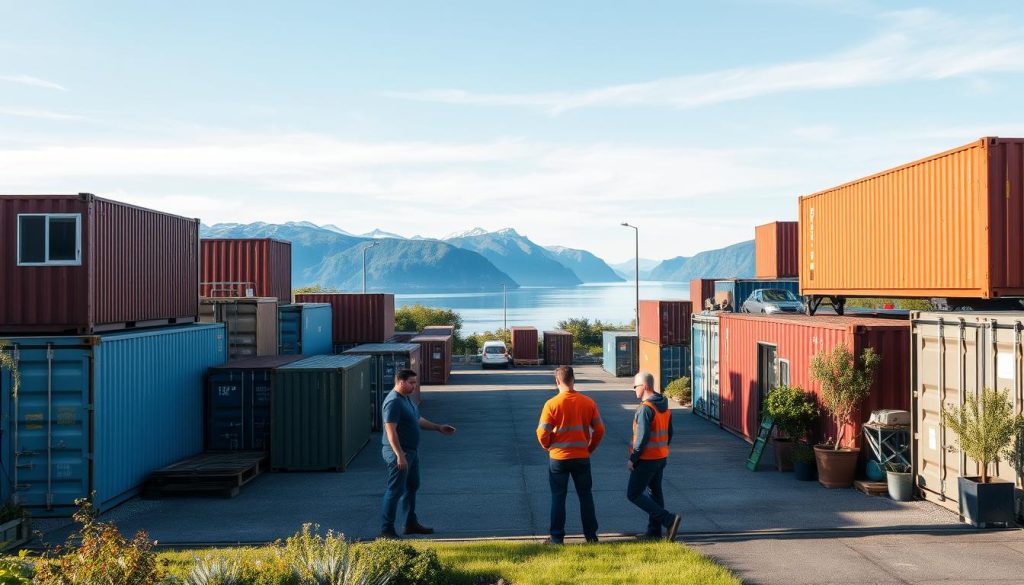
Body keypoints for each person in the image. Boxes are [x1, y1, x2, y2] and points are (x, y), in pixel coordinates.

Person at [380, 369, 456, 539]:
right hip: (399, 454)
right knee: (395, 490)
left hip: (411, 452)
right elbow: (390, 430)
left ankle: (410, 523)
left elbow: (417, 419)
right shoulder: (393, 402)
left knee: (412, 486)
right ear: (401, 382)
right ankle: (386, 530)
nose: (415, 386)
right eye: (411, 383)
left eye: (415, 382)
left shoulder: (406, 399)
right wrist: (399, 454)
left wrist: (438, 427)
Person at [536, 365, 605, 544]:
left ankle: (557, 538)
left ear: (557, 381)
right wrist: (589, 448)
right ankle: (591, 537)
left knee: (558, 497)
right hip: (582, 456)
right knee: (585, 496)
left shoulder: (551, 404)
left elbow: (542, 432)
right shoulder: (588, 402)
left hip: (559, 458)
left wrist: (548, 446)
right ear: (574, 380)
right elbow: (599, 429)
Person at [627, 371, 682, 541]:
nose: (634, 390)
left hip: (646, 459)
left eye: (635, 386)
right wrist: (661, 450)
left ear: (644, 386)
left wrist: (633, 459)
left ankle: (668, 519)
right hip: (660, 457)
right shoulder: (664, 406)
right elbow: (669, 433)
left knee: (633, 494)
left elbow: (641, 438)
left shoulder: (646, 409)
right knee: (655, 493)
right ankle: (654, 532)